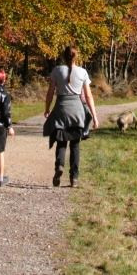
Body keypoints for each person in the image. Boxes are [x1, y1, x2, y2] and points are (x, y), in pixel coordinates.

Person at [43, 45, 99, 187]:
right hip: (77, 110)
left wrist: (47, 108)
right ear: (76, 56)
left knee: (61, 141)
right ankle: (74, 178)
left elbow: (50, 93)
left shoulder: (56, 71)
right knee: (75, 144)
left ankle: (59, 166)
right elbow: (88, 96)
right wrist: (95, 116)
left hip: (61, 108)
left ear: (63, 56)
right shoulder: (82, 72)